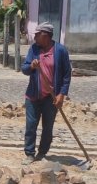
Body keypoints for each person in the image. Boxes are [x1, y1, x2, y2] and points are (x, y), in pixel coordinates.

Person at [20, 22, 72, 164]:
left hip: (51, 97)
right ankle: (29, 153)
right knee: (31, 125)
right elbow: (24, 69)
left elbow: (67, 75)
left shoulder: (60, 51)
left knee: (47, 127)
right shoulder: (34, 49)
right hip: (33, 95)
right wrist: (31, 66)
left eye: (37, 35)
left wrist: (62, 94)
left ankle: (42, 153)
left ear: (45, 36)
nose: (35, 37)